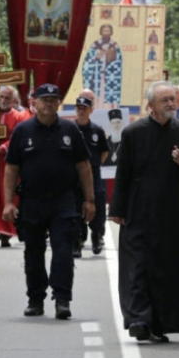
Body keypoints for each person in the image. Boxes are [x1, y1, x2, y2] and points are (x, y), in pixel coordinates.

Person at [110, 81, 179, 342]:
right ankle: (138, 319)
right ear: (151, 106)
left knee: (169, 267)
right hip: (138, 207)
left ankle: (162, 323)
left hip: (172, 209)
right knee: (137, 266)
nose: (171, 104)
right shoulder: (133, 132)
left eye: (173, 99)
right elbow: (123, 172)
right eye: (165, 100)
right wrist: (117, 208)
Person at [2, 84, 94, 320]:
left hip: (64, 200)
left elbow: (83, 166)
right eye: (45, 100)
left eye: (54, 100)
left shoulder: (70, 130)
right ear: (35, 102)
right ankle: (35, 299)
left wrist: (89, 200)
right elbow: (11, 168)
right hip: (32, 201)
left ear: (59, 103)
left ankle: (62, 299)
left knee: (63, 250)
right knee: (33, 251)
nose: (49, 104)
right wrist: (8, 202)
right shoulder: (22, 131)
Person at [0, 85, 32, 247]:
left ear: (14, 100)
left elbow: (19, 139)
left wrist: (0, 149)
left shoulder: (20, 117)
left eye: (7, 98)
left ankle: (5, 233)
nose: (3, 100)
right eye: (1, 97)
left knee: (6, 196)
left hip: (9, 162)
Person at [74, 91, 109, 257]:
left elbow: (104, 152)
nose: (81, 111)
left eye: (84, 108)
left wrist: (93, 165)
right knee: (76, 207)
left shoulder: (97, 130)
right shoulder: (70, 129)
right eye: (79, 108)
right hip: (74, 176)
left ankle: (96, 235)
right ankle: (78, 240)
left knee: (98, 207)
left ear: (91, 110)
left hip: (94, 174)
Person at [82, 24, 123, 107]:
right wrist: (97, 58)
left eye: (108, 31)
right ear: (101, 32)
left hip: (109, 77)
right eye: (104, 31)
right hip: (96, 77)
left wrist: (110, 62)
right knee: (96, 96)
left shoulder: (115, 46)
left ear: (111, 32)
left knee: (109, 97)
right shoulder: (95, 45)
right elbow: (87, 61)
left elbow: (119, 62)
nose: (106, 33)